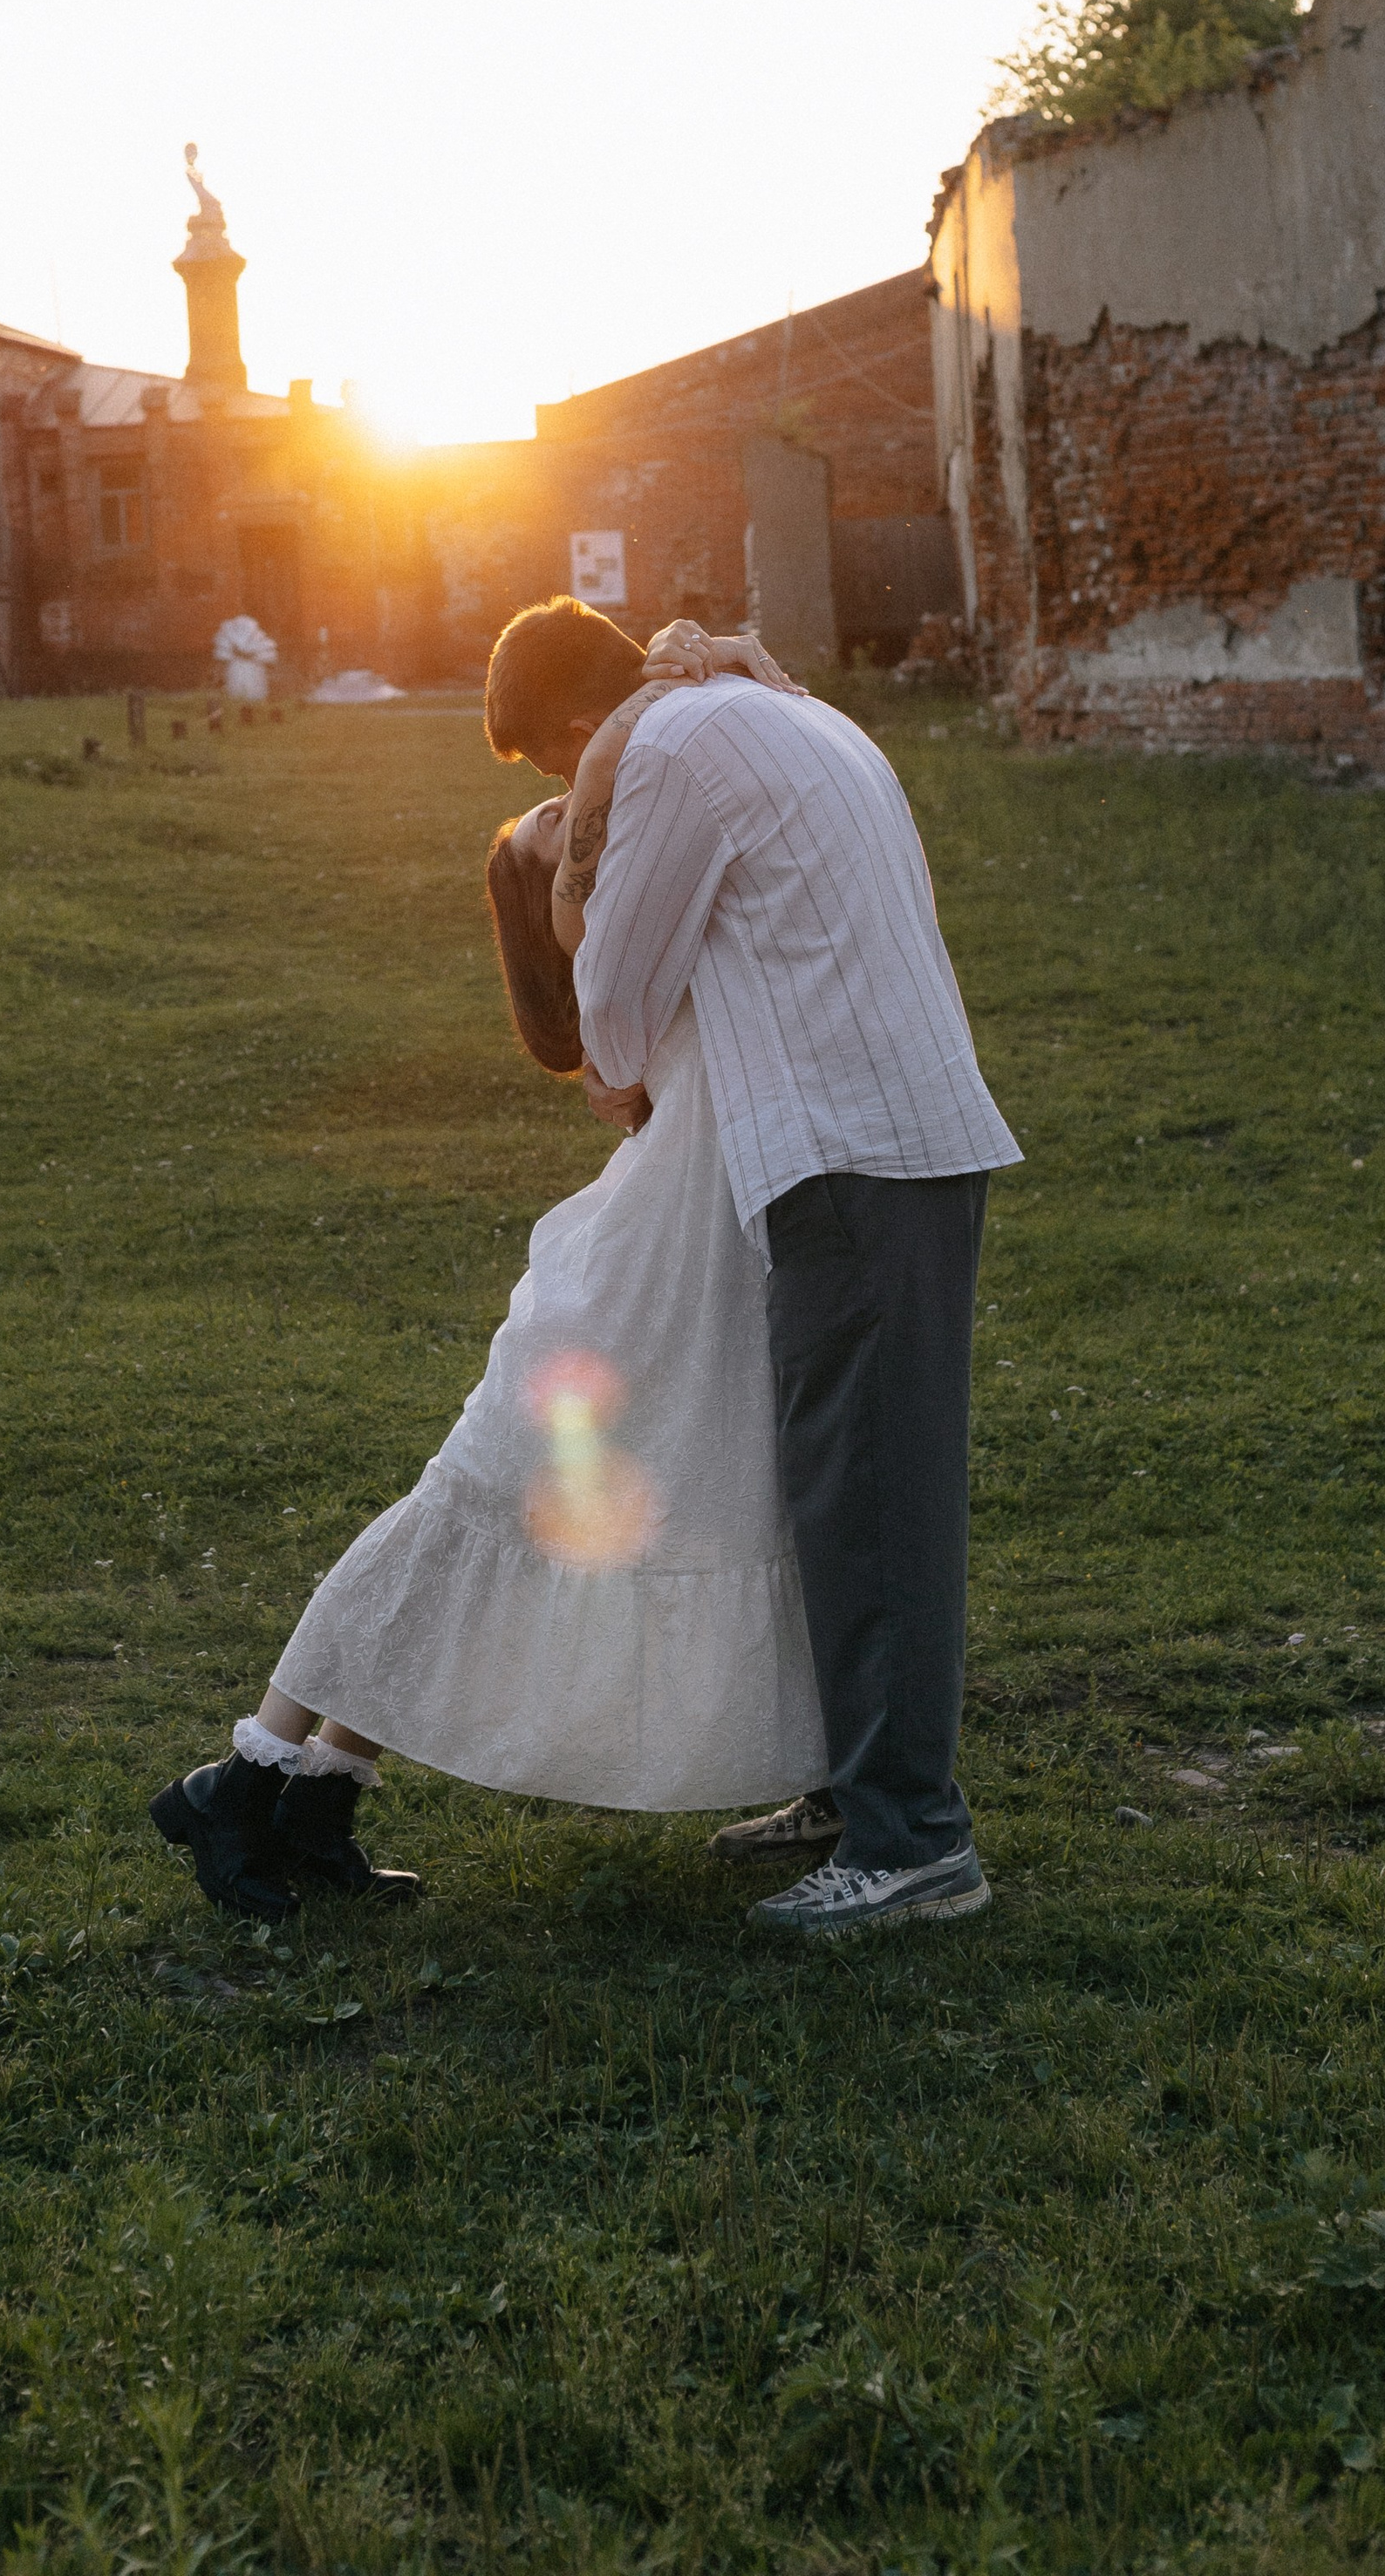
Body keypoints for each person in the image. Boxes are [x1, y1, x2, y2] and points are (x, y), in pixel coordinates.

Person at [148, 630, 829, 1923]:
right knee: (470, 1512)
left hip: (675, 1225)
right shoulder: (565, 837)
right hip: (647, 1244)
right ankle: (249, 1771)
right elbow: (612, 1007)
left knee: (487, 1525)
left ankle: (314, 1786)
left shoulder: (624, 806)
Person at [492, 596, 1021, 1939]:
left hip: (852, 1148)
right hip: (888, 1133)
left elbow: (611, 985)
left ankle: (913, 1843)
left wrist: (610, 1051)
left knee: (871, 1494)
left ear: (573, 727)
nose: (576, 804)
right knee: (834, 1483)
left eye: (561, 778)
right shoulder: (793, 714)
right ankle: (858, 1791)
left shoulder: (666, 750)